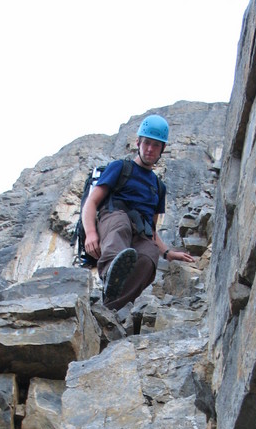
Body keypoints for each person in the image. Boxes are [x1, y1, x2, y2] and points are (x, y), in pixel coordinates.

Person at [81, 114, 195, 311]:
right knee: (121, 223)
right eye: (146, 143)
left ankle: (112, 307)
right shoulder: (120, 168)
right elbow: (92, 202)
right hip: (112, 221)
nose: (150, 149)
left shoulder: (159, 187)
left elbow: (151, 230)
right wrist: (90, 233)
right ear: (138, 143)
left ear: (162, 149)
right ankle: (111, 274)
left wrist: (167, 253)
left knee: (150, 254)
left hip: (139, 232)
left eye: (156, 145)